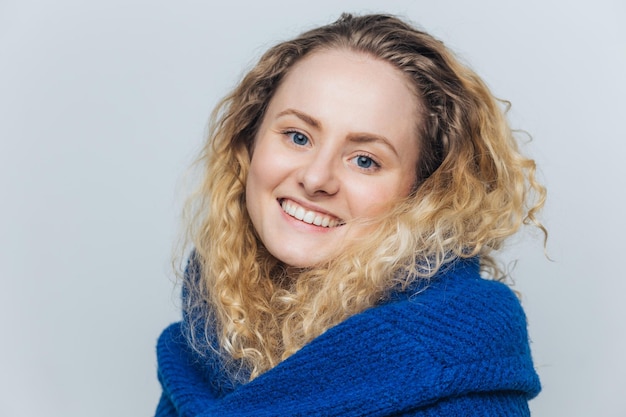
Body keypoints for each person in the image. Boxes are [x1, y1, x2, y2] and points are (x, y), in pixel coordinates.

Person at [155, 12, 546, 416]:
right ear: (249, 141)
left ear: (425, 191)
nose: (316, 177)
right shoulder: (212, 330)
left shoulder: (458, 384)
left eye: (364, 160)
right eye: (298, 136)